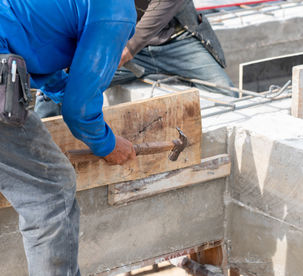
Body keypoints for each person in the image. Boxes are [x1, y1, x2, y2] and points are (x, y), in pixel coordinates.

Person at [0, 0, 137, 275]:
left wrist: (64, 92)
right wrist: (107, 144)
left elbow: (37, 52)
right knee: (51, 190)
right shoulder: (118, 9)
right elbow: (79, 111)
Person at [35, 0, 236, 119]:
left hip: (176, 40)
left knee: (225, 94)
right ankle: (38, 150)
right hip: (121, 39)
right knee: (61, 84)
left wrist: (128, 49)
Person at [116, 0, 234, 94]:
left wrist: (129, 49)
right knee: (97, 81)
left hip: (179, 40)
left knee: (226, 92)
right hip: (129, 46)